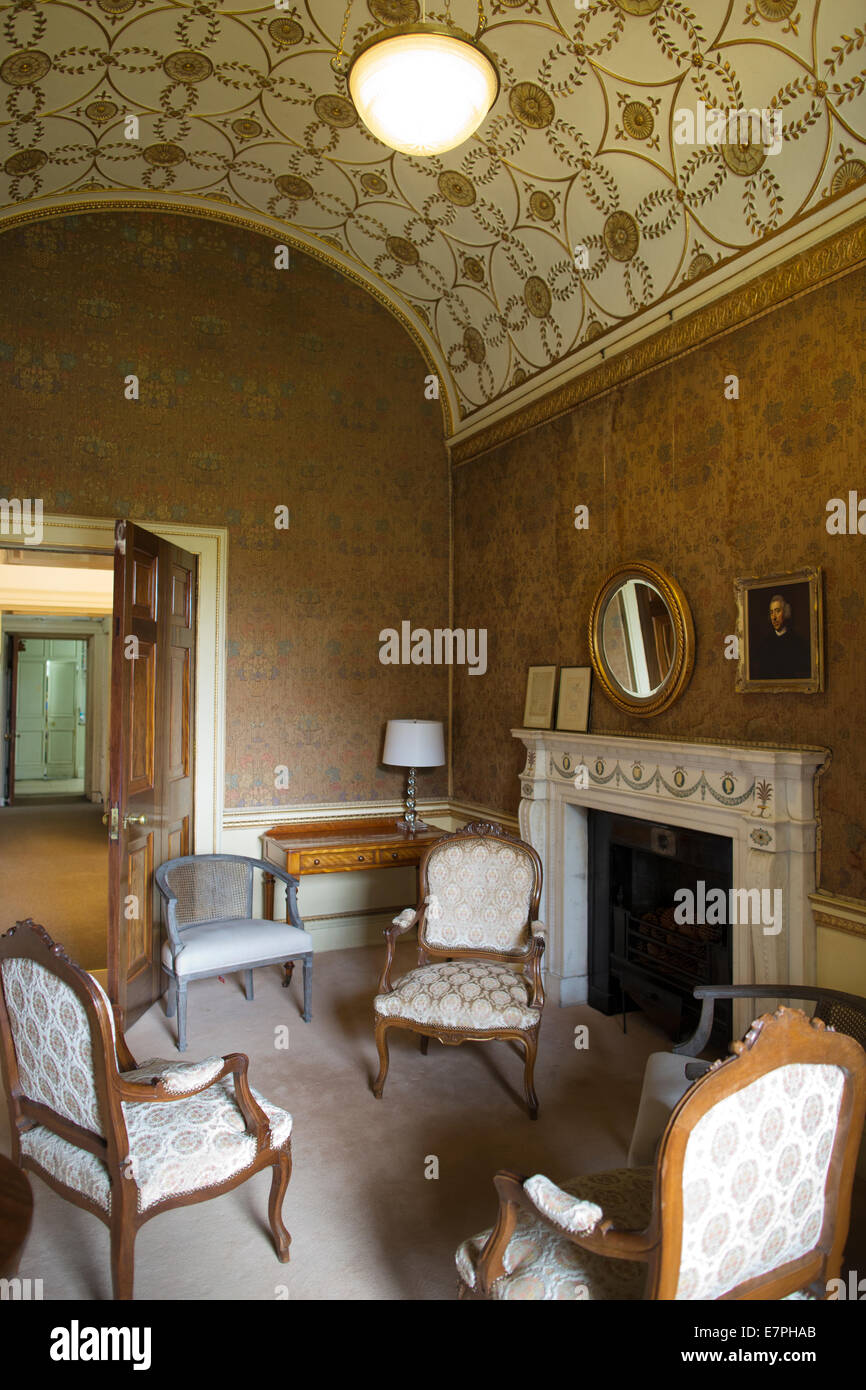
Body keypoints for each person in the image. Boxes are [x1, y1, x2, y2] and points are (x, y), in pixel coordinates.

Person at [751, 592, 811, 680]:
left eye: (777, 611)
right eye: (771, 613)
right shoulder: (765, 643)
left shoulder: (797, 642)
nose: (774, 617)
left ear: (786, 612)